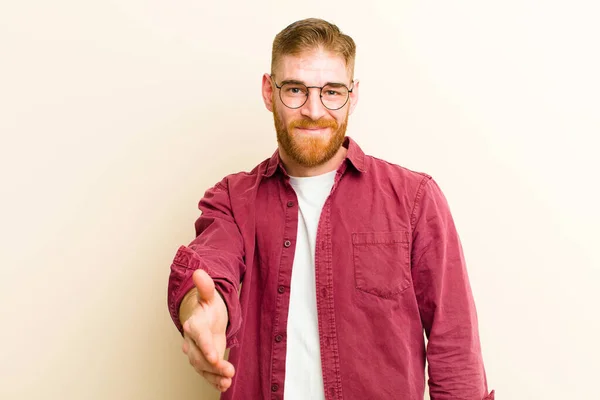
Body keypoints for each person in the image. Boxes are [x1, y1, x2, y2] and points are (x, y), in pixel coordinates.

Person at [167, 18, 494, 400]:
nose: (313, 109)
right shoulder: (233, 198)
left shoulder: (415, 200)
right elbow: (210, 266)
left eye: (332, 92)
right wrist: (201, 310)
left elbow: (454, 347)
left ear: (352, 96)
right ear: (268, 92)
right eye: (294, 89)